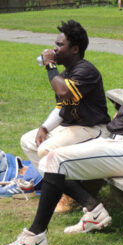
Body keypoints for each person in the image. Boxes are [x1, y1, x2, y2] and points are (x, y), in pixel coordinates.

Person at [0, 19, 123, 245]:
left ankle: (34, 239)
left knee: (54, 160)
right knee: (50, 159)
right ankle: (92, 212)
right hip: (115, 141)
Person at [20, 20, 111, 212]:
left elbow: (64, 92)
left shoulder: (86, 71)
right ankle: (61, 189)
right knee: (28, 141)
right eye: (55, 45)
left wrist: (50, 66)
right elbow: (62, 107)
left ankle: (71, 196)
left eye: (60, 45)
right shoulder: (65, 74)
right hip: (74, 127)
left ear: (75, 49)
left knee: (46, 150)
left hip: (94, 129)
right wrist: (44, 128)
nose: (54, 49)